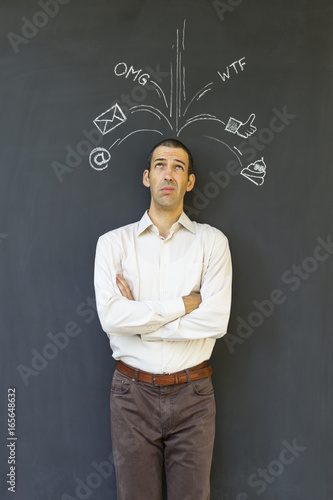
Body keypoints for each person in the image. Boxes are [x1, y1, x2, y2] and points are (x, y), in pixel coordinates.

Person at [94, 138, 232, 500]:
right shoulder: (113, 244)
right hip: (131, 395)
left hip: (194, 395)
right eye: (159, 165)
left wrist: (140, 320)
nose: (167, 173)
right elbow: (111, 317)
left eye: (177, 166)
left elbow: (215, 321)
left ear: (189, 182)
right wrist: (185, 305)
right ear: (146, 177)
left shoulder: (212, 243)